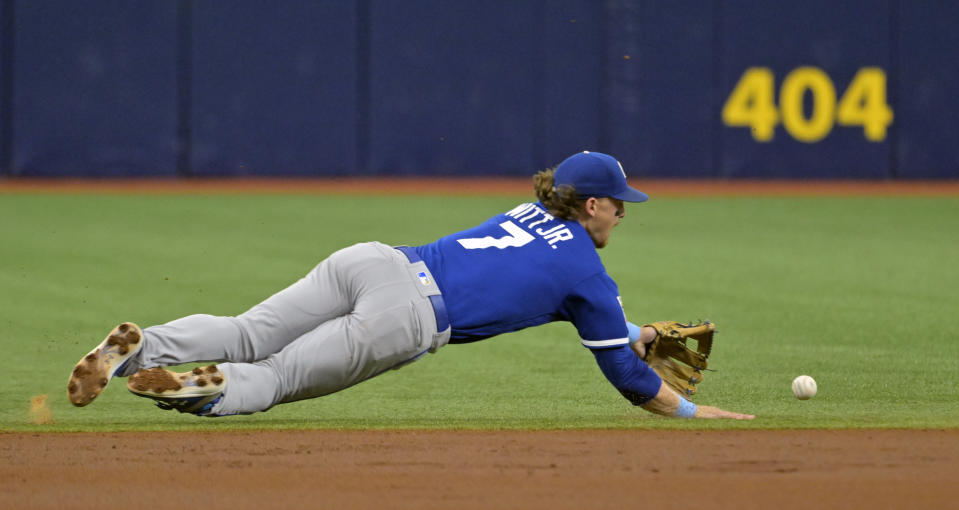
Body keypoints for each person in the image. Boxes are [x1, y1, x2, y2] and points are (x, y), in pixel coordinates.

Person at [67, 151, 754, 420]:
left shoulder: (528, 213)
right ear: (590, 206)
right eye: (616, 202)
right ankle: (198, 386)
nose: (623, 211)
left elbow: (574, 302)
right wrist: (700, 416)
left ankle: (143, 344)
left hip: (371, 262)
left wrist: (636, 333)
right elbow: (630, 382)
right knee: (273, 376)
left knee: (249, 331)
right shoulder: (587, 272)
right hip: (408, 316)